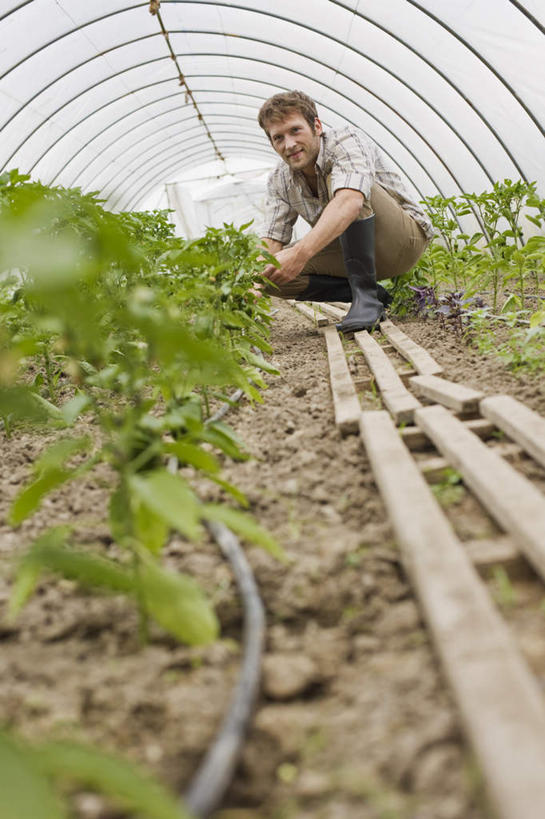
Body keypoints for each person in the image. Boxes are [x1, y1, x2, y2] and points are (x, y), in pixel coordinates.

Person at [257, 90, 433, 332]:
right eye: (278, 138)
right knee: (268, 275)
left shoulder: (345, 141)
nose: (289, 144)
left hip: (401, 243)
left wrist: (299, 254)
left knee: (346, 187)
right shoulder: (280, 179)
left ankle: (366, 300)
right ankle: (374, 295)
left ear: (316, 126)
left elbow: (350, 202)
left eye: (295, 130)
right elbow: (272, 238)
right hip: (353, 256)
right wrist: (251, 284)